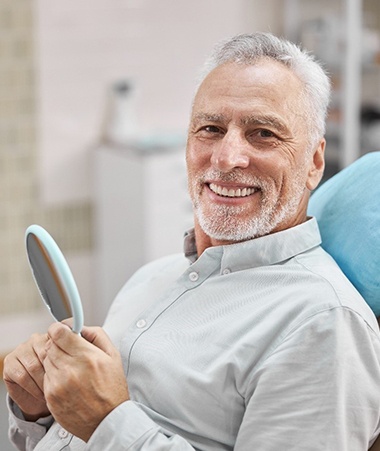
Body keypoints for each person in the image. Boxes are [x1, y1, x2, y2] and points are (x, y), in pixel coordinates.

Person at [4, 32, 380, 450]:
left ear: (314, 162)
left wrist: (107, 422)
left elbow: (103, 426)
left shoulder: (323, 323)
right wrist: (40, 413)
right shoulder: (152, 278)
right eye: (211, 128)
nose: (226, 157)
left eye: (263, 134)